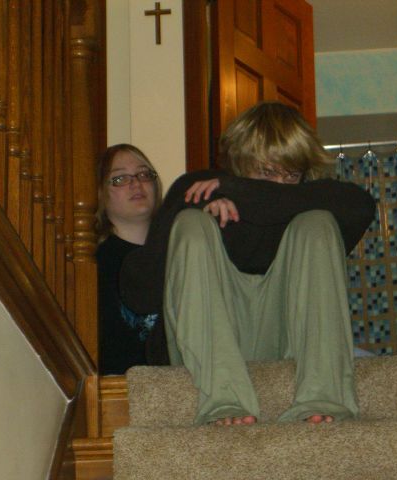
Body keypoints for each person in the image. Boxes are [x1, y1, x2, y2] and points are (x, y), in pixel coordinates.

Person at [120, 102, 376, 426]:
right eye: (266, 172)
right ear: (240, 163)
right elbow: (139, 294)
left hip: (284, 339)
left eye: (291, 175)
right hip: (208, 344)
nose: (279, 185)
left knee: (318, 223)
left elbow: (362, 206)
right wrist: (193, 212)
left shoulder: (303, 198)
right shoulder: (198, 187)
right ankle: (224, 400)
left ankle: (323, 396)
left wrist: (242, 193)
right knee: (191, 225)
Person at [96, 144, 168, 375]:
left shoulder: (180, 249)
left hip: (180, 378)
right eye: (120, 179)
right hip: (121, 383)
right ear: (101, 193)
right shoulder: (94, 262)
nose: (136, 183)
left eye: (144, 174)